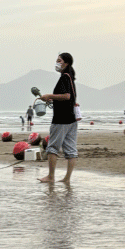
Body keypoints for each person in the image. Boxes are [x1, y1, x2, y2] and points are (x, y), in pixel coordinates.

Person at [39, 52, 78, 183]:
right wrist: (52, 99)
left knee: (52, 148)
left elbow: (66, 96)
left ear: (66, 63)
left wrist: (49, 95)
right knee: (71, 150)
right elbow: (70, 98)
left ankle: (51, 176)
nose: (57, 62)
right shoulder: (70, 77)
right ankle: (67, 179)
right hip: (71, 119)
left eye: (59, 60)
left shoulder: (64, 78)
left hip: (61, 119)